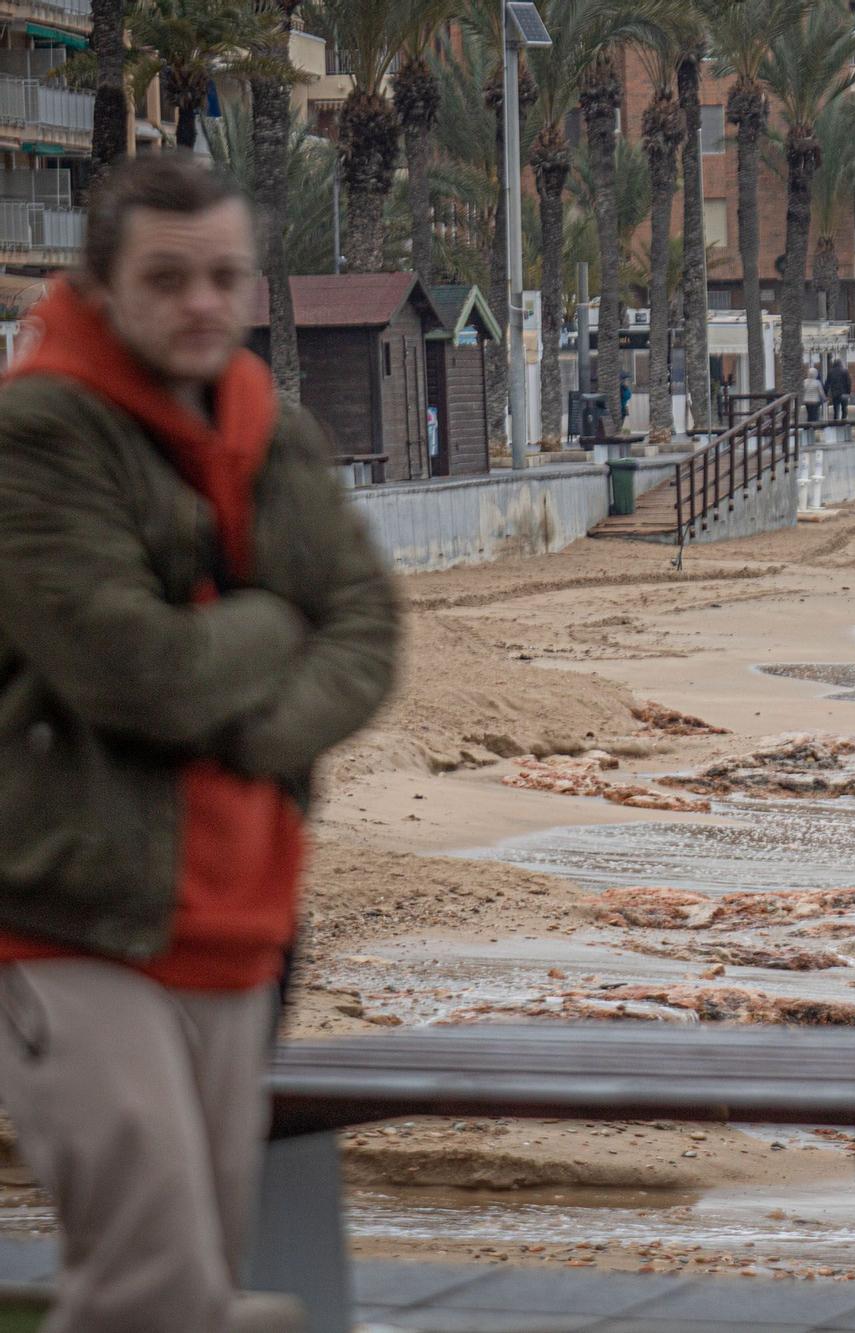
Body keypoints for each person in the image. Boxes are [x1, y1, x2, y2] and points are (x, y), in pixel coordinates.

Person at [0, 154, 400, 1332]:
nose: (200, 304)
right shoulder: (34, 436)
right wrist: (277, 617)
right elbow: (137, 673)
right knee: (154, 1294)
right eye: (166, 278)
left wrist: (255, 733)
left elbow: (370, 631)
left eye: (224, 276)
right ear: (106, 286)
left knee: (187, 1291)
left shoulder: (270, 427)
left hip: (242, 920)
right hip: (72, 922)